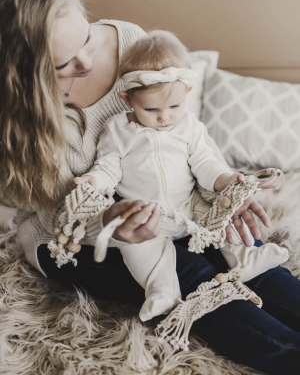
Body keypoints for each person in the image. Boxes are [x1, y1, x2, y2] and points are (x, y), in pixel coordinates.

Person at [1, 0, 300, 374]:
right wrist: (111, 222)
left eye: (87, 40)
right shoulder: (22, 122)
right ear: (26, 72)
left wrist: (223, 195)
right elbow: (63, 211)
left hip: (173, 206)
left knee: (235, 244)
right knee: (188, 271)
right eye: (63, 64)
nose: (87, 63)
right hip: (73, 237)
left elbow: (181, 135)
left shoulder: (129, 41)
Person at [74, 30, 288, 322]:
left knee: (222, 218)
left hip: (190, 206)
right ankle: (161, 291)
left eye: (174, 106)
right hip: (151, 217)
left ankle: (247, 258)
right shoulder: (117, 130)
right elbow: (108, 167)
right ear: (127, 99)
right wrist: (93, 181)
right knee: (137, 247)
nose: (165, 117)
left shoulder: (189, 125)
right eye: (151, 109)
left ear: (186, 94)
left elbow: (204, 161)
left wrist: (225, 179)